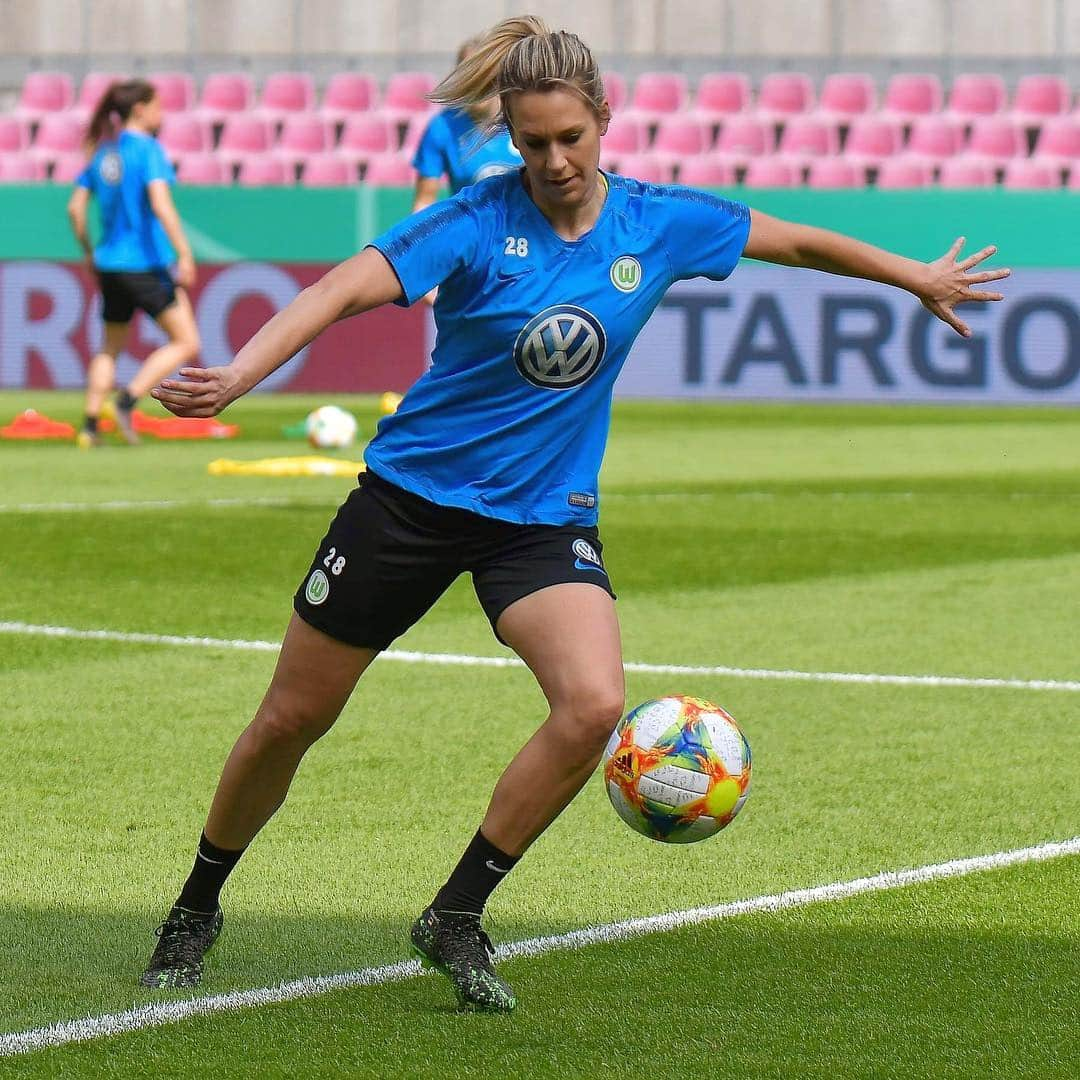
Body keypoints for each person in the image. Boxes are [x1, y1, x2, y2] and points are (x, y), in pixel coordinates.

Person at [141, 17, 1009, 1012]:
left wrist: (918, 279)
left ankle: (457, 914)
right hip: (410, 501)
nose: (553, 160)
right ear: (510, 136)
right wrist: (241, 376)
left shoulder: (658, 220)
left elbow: (799, 239)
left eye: (570, 138)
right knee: (294, 716)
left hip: (541, 518)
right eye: (533, 142)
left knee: (595, 704)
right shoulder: (471, 222)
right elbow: (342, 289)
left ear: (605, 120)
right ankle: (197, 902)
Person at [67, 79, 200, 448]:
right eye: (158, 106)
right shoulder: (148, 150)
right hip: (143, 263)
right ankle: (126, 401)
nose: (163, 114)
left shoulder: (104, 152)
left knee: (110, 346)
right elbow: (160, 203)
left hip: (109, 263)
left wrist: (89, 252)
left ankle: (90, 427)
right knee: (186, 340)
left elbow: (75, 209)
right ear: (140, 109)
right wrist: (185, 253)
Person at [409, 35, 523, 307]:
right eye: (468, 76)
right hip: (472, 252)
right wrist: (424, 262)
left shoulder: (524, 120)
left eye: (483, 76)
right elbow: (425, 200)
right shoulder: (442, 128)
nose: (475, 85)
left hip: (529, 250)